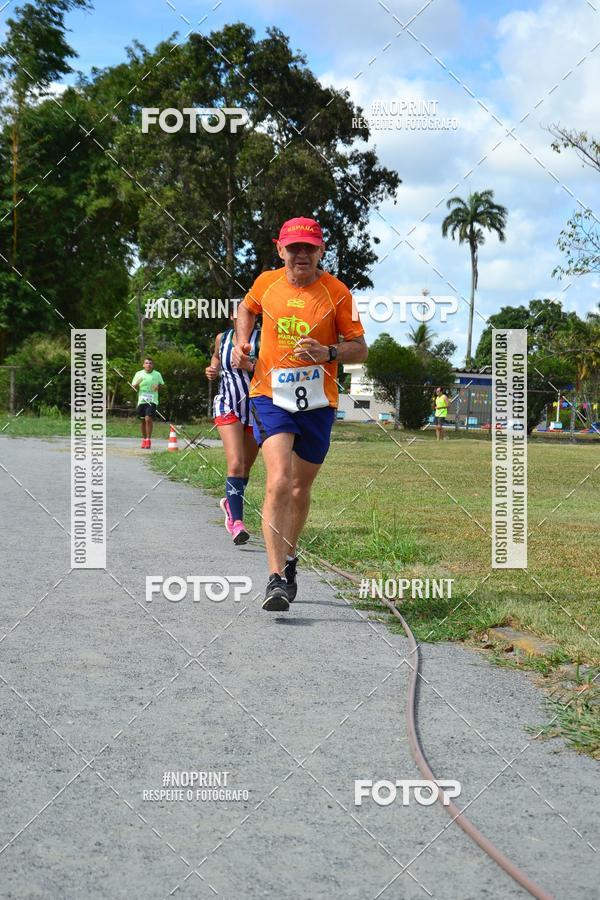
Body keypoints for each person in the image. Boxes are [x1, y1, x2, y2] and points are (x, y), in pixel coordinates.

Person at [232, 216, 368, 611]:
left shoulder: (337, 293)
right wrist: (243, 342)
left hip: (318, 401)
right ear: (281, 250)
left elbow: (360, 348)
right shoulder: (266, 283)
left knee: (298, 488)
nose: (301, 255)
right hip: (270, 394)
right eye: (294, 248)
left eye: (309, 247)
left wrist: (328, 352)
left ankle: (290, 559)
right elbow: (246, 309)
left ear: (321, 250)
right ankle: (275, 578)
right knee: (278, 479)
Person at [205, 315, 260, 545]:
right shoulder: (222, 338)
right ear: (232, 316)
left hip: (258, 410)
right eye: (240, 313)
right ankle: (237, 523)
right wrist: (212, 369)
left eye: (250, 313)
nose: (245, 317)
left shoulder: (265, 338)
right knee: (236, 463)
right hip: (227, 405)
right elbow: (216, 358)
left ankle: (230, 502)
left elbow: (276, 371)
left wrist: (250, 366)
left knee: (245, 467)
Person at [131, 358, 165, 449]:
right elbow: (133, 387)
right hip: (142, 400)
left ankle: (148, 440)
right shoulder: (139, 374)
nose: (148, 365)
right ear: (143, 365)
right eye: (146, 363)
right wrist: (137, 383)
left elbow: (162, 385)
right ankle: (144, 439)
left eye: (150, 363)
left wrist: (158, 387)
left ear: (152, 365)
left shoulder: (157, 374)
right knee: (142, 420)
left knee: (148, 419)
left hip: (152, 400)